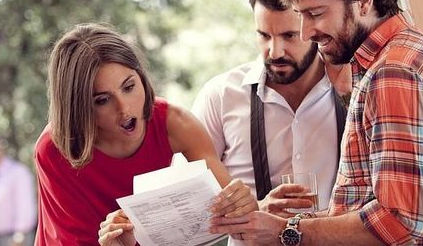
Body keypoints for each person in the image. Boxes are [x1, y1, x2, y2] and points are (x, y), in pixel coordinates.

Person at [209, 0, 423, 245]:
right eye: (300, 16)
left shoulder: (393, 72)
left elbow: (398, 222)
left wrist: (285, 232)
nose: (306, 32)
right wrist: (284, 223)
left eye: (315, 14)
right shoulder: (404, 53)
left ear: (364, 0)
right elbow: (370, 207)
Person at [35, 23, 257, 246]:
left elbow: (235, 210)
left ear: (141, 77)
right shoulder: (54, 148)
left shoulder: (175, 123)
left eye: (129, 87)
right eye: (102, 100)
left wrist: (242, 203)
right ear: (79, 107)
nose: (125, 110)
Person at [192, 0, 346, 218]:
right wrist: (253, 210)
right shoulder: (220, 97)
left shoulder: (352, 89)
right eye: (264, 35)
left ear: (312, 28)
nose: (274, 51)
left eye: (289, 35)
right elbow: (190, 203)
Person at [0, 136, 37, 246]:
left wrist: (20, 233)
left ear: (2, 149)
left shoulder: (18, 172)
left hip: (16, 238)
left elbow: (25, 205)